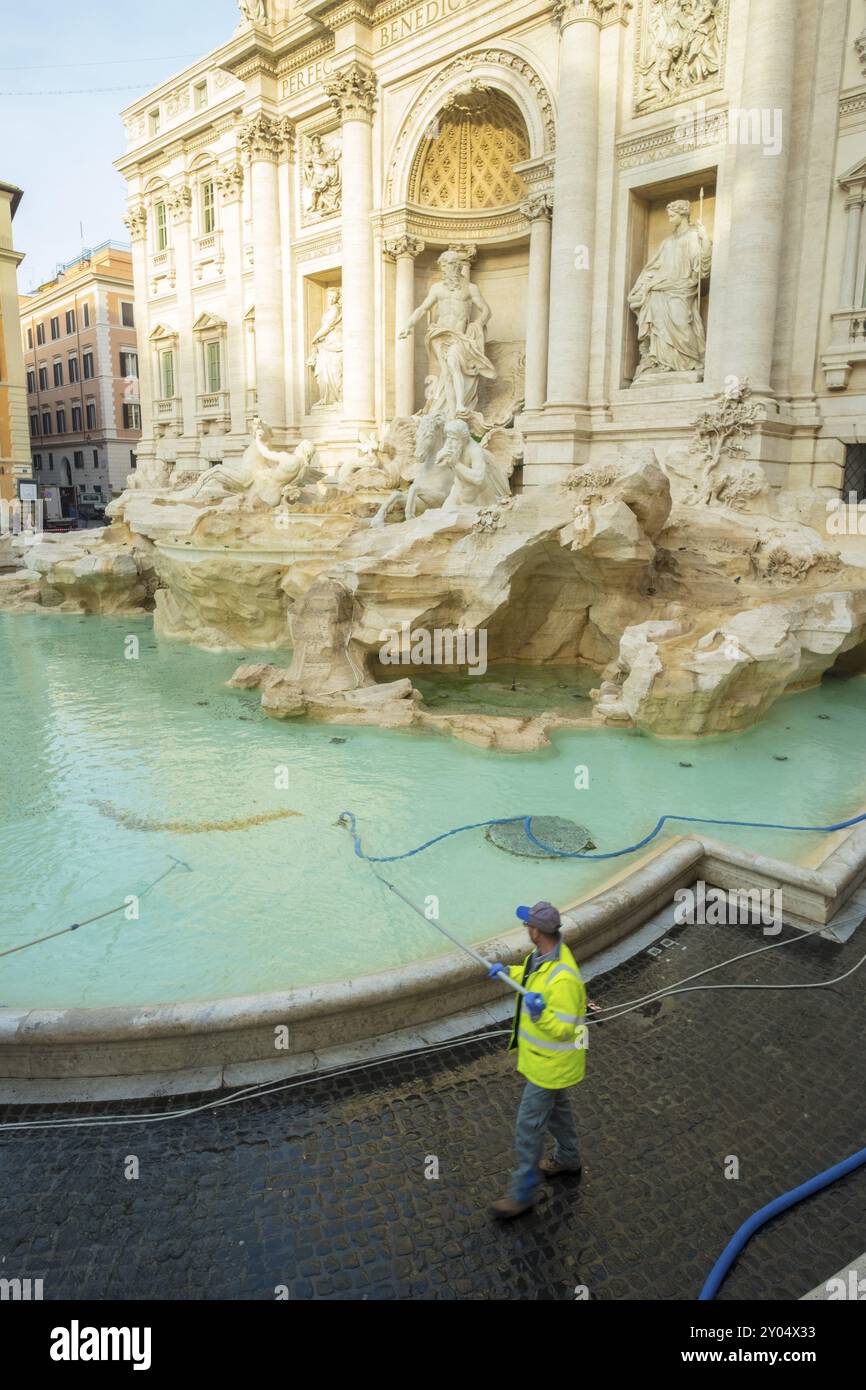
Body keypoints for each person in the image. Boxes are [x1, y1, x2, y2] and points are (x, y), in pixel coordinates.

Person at [488, 901, 587, 1219]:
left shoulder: (564, 979)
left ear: (535, 931)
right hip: (544, 1063)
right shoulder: (542, 956)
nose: (525, 930)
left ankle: (522, 1192)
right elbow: (531, 978)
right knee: (558, 1115)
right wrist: (508, 973)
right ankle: (568, 1160)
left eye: (526, 925)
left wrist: (539, 1013)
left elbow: (561, 1029)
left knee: (528, 1128)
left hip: (549, 1066)